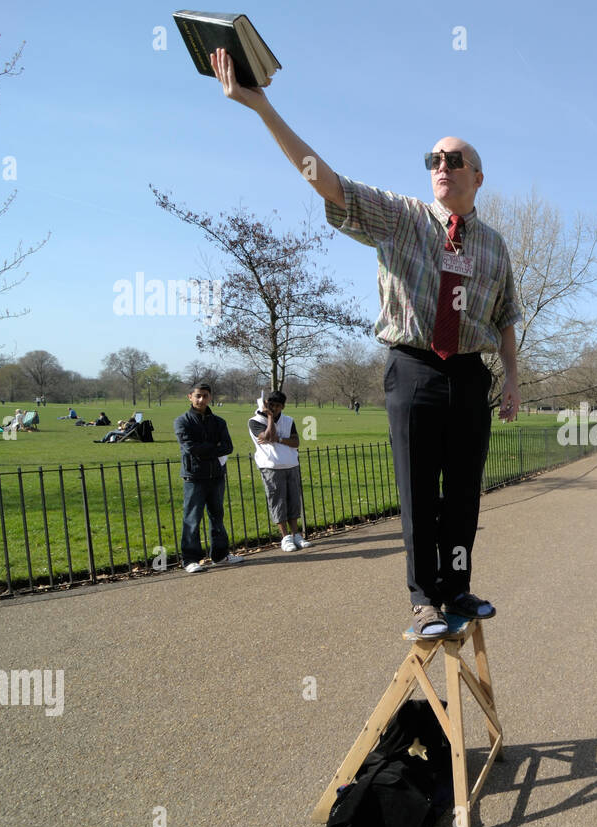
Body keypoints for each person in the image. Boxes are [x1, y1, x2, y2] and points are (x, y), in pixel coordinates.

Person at [209, 49, 521, 636]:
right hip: (415, 369)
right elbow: (326, 181)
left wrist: (512, 379)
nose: (441, 166)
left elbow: (505, 316)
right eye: (433, 158)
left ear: (478, 176)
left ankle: (457, 588)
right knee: (418, 493)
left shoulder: (495, 246)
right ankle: (423, 599)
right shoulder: (401, 218)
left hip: (471, 375)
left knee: (463, 499)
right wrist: (261, 108)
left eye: (455, 159)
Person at [174, 382, 243, 573]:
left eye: (205, 396)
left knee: (217, 516)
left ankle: (220, 555)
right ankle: (190, 559)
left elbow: (228, 447)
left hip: (216, 475)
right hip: (194, 476)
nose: (201, 399)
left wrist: (205, 449)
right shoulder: (182, 421)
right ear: (190, 397)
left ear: (210, 397)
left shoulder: (219, 422)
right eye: (198, 396)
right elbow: (190, 448)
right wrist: (214, 447)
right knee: (192, 518)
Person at [249, 390, 311, 552]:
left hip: (291, 464)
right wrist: (269, 417)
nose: (274, 408)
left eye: (278, 406)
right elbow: (267, 437)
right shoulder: (255, 421)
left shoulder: (288, 420)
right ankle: (285, 537)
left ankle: (296, 534)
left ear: (283, 406)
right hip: (271, 467)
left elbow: (296, 442)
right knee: (278, 501)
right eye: (271, 405)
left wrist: (280, 439)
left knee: (293, 501)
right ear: (265, 404)